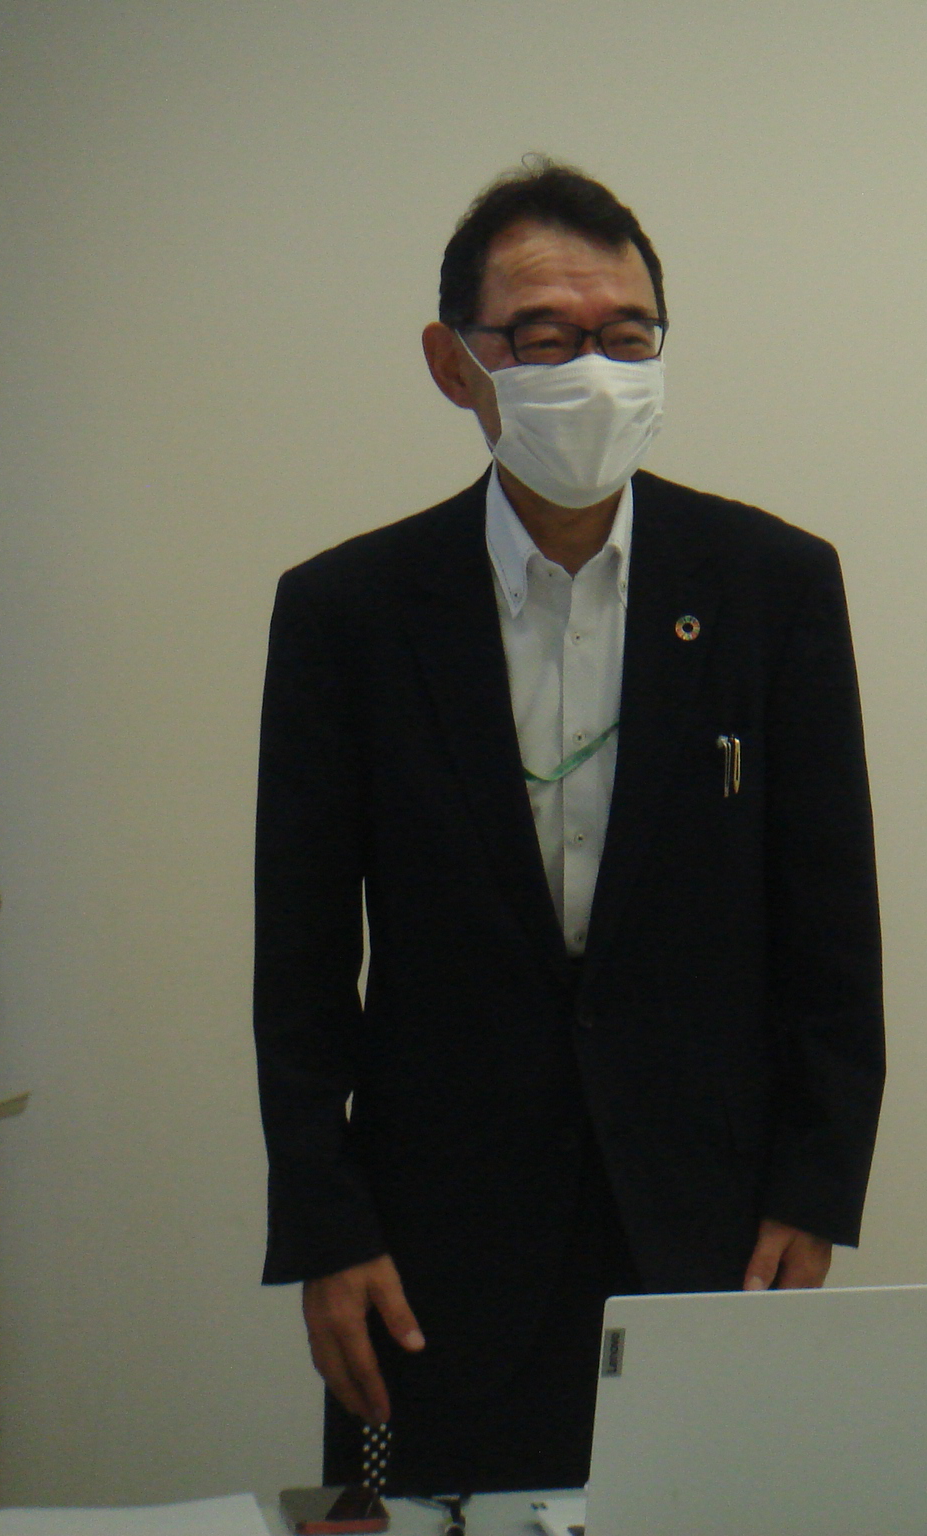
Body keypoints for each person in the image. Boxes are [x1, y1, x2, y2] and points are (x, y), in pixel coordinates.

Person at [252, 158, 884, 1497]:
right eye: (543, 339)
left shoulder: (772, 586)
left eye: (627, 337)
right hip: (435, 1243)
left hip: (709, 1227)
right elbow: (299, 963)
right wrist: (324, 1225)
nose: (593, 372)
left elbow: (833, 928)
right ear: (454, 364)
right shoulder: (348, 614)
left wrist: (815, 1188)